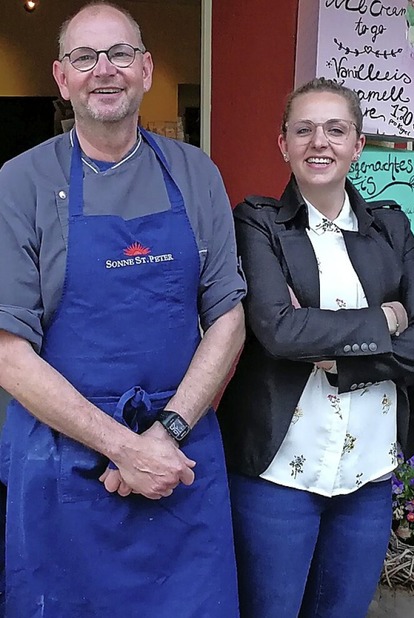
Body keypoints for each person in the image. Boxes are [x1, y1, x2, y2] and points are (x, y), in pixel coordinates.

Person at [0, 2, 246, 616]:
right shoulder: (20, 181)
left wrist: (165, 434)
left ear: (147, 69)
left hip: (179, 459)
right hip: (64, 461)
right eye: (85, 57)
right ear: (62, 78)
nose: (103, 70)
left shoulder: (196, 174)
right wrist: (123, 447)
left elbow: (227, 317)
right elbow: (8, 353)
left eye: (120, 54)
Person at [216, 77, 414, 617]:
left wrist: (337, 355)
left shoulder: (390, 228)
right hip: (278, 473)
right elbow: (278, 331)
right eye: (304, 130)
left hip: (368, 473)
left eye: (336, 130)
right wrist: (385, 318)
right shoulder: (259, 222)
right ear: (284, 144)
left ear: (357, 144)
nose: (320, 142)